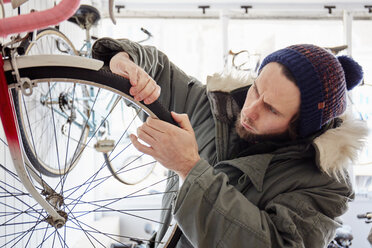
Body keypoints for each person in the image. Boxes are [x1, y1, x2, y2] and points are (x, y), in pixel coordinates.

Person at [92, 39, 368, 248]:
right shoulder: (215, 108)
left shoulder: (327, 184)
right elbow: (158, 70)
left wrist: (190, 168)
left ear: (302, 128)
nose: (249, 110)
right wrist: (124, 60)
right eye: (256, 89)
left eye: (271, 109)